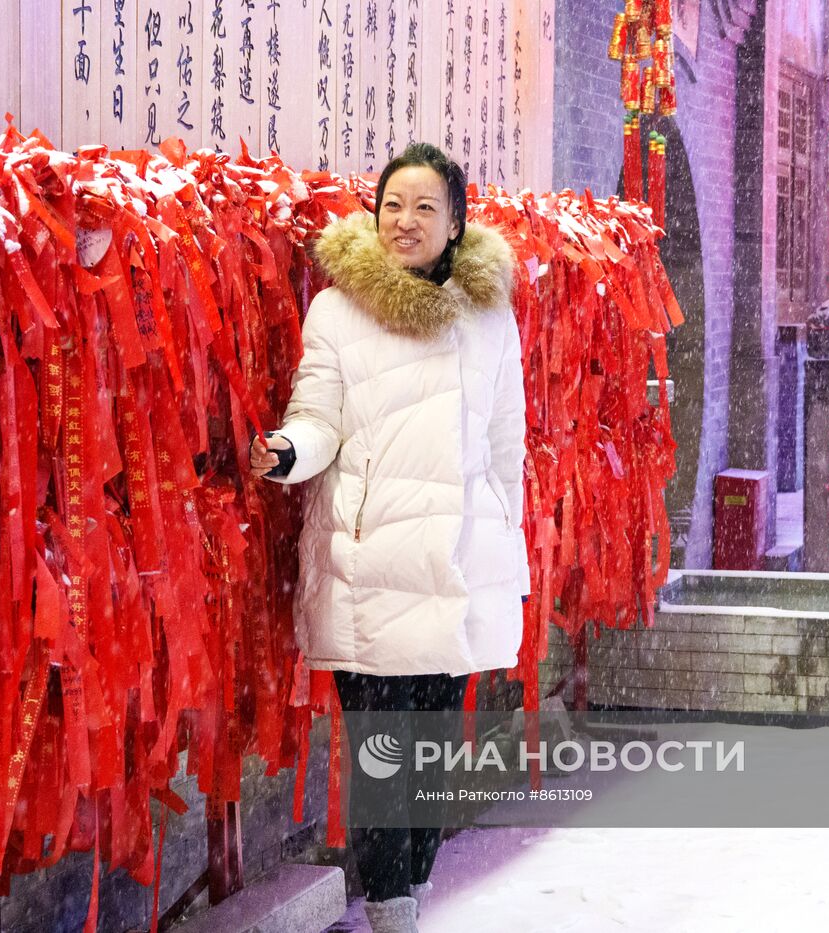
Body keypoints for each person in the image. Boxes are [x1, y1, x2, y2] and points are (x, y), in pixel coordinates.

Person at [249, 143, 530, 933]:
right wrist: (287, 452)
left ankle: (409, 897)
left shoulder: (490, 317)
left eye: (423, 208)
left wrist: (504, 545)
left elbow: (506, 445)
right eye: (392, 206)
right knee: (384, 759)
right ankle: (391, 914)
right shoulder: (338, 309)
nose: (404, 222)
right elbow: (318, 416)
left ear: (456, 221)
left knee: (432, 761)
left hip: (458, 563)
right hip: (369, 565)